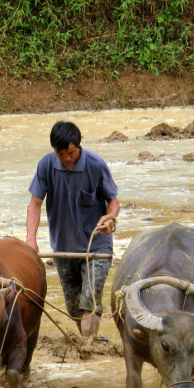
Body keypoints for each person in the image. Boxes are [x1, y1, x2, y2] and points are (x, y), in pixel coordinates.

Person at [26, 121, 120, 337]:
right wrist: (31, 239)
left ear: (79, 146)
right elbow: (35, 204)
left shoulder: (95, 165)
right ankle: (91, 344)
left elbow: (113, 202)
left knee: (89, 303)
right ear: (54, 151)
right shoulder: (46, 165)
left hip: (96, 247)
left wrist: (110, 218)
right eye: (61, 154)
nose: (67, 159)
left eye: (72, 153)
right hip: (63, 248)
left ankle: (89, 350)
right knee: (74, 308)